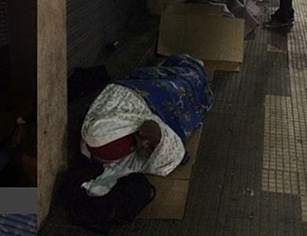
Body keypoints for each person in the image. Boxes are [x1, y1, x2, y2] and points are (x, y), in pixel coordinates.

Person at [78, 54, 211, 196]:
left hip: (136, 95)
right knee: (184, 87)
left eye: (138, 142)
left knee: (178, 84)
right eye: (134, 148)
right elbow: (169, 151)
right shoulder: (112, 146)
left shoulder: (110, 128)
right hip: (156, 101)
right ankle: (193, 71)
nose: (142, 144)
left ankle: (190, 68)